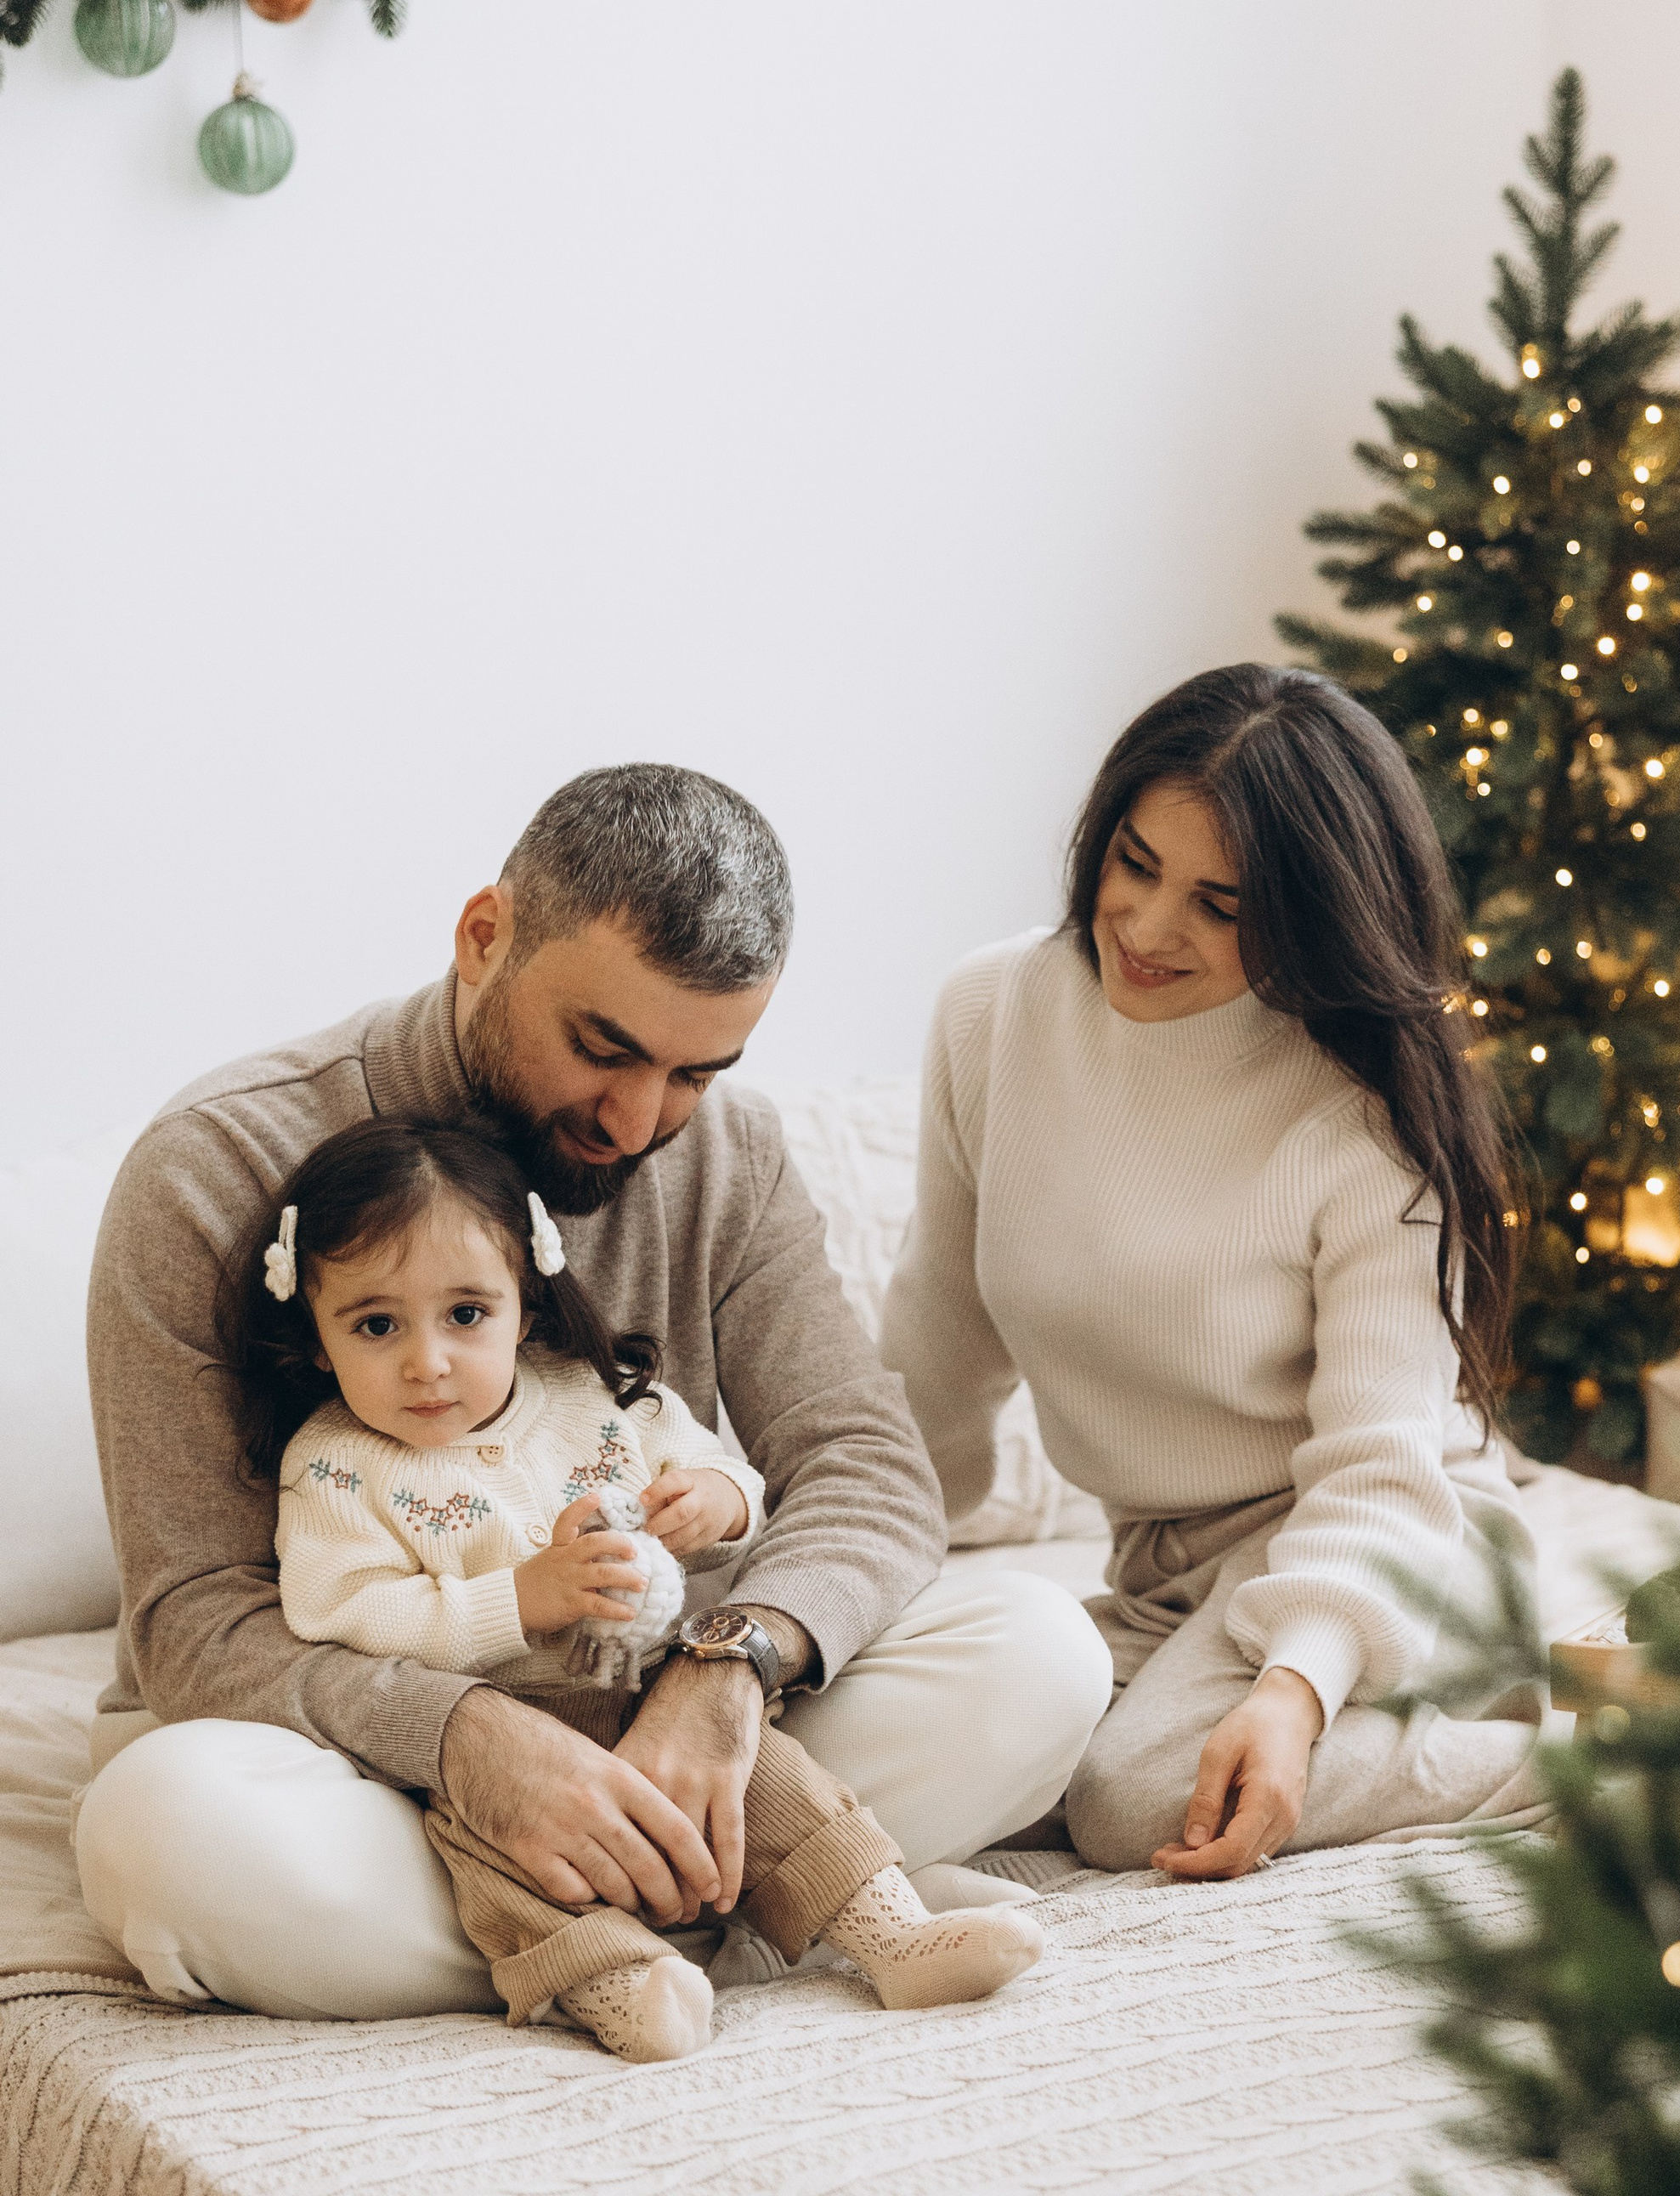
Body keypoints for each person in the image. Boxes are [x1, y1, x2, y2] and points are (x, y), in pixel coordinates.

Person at [76, 765, 1110, 2023]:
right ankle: (754, 1904)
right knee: (163, 1831)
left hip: (654, 1709)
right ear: (483, 940)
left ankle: (624, 1916)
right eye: (601, 1048)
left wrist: (730, 1670)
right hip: (350, 1757)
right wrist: (469, 1739)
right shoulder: (215, 1164)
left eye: (695, 1072)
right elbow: (193, 1622)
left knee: (1042, 1652)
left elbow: (868, 1470)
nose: (637, 1120)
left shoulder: (728, 1155)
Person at [881, 663, 1549, 1879]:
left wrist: (1296, 1691)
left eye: (1220, 905)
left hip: (1393, 1553)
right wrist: (823, 1580)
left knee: (1132, 1799)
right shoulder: (991, 1017)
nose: (1146, 927)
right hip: (1165, 1582)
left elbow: (1385, 1469)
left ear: (1305, 918)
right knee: (946, 1754)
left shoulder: (1363, 1122)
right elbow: (935, 1354)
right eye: (1133, 863)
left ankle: (1587, 1769)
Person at [190, 1114, 1043, 2063]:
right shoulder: (337, 1468)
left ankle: (891, 1934)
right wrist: (522, 1598)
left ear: (524, 1299)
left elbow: (732, 1474)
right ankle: (620, 1981)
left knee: (781, 1782)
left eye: (466, 1315)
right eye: (376, 1325)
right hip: (492, 1733)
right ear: (314, 1336)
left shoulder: (598, 1399)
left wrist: (715, 1503)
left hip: (659, 1691)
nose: (426, 1362)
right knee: (507, 1869)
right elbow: (336, 1611)